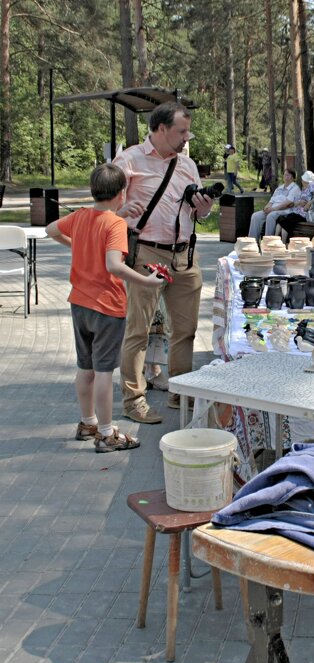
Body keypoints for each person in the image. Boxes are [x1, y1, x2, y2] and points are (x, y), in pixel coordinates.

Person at [45, 163, 165, 451]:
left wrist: (77, 246)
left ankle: (87, 422)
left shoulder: (81, 216)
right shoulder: (115, 225)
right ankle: (106, 432)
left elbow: (50, 229)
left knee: (85, 367)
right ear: (121, 194)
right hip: (106, 307)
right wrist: (147, 282)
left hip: (79, 303)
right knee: (103, 372)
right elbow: (114, 265)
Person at [112, 101, 216, 424]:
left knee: (186, 330)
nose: (187, 137)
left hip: (184, 255)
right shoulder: (129, 160)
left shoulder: (187, 164)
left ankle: (180, 391)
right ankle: (134, 400)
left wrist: (205, 206)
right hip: (146, 253)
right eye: (181, 131)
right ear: (160, 129)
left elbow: (200, 213)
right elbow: (105, 205)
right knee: (138, 330)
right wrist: (119, 215)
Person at [248, 168, 301, 239]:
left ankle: (268, 241)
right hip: (273, 209)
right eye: (285, 175)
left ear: (293, 178)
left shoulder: (295, 188)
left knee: (271, 216)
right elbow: (271, 201)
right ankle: (252, 241)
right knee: (255, 216)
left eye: (289, 176)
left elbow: (287, 204)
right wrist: (266, 208)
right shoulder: (279, 188)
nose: (286, 177)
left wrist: (272, 209)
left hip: (285, 211)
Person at [275, 169, 314, 243]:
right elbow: (298, 203)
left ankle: (283, 243)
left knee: (287, 221)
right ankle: (275, 240)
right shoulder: (304, 189)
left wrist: (309, 203)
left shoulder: (312, 186)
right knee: (281, 218)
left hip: (304, 215)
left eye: (303, 180)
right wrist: (299, 203)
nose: (302, 181)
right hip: (298, 212)